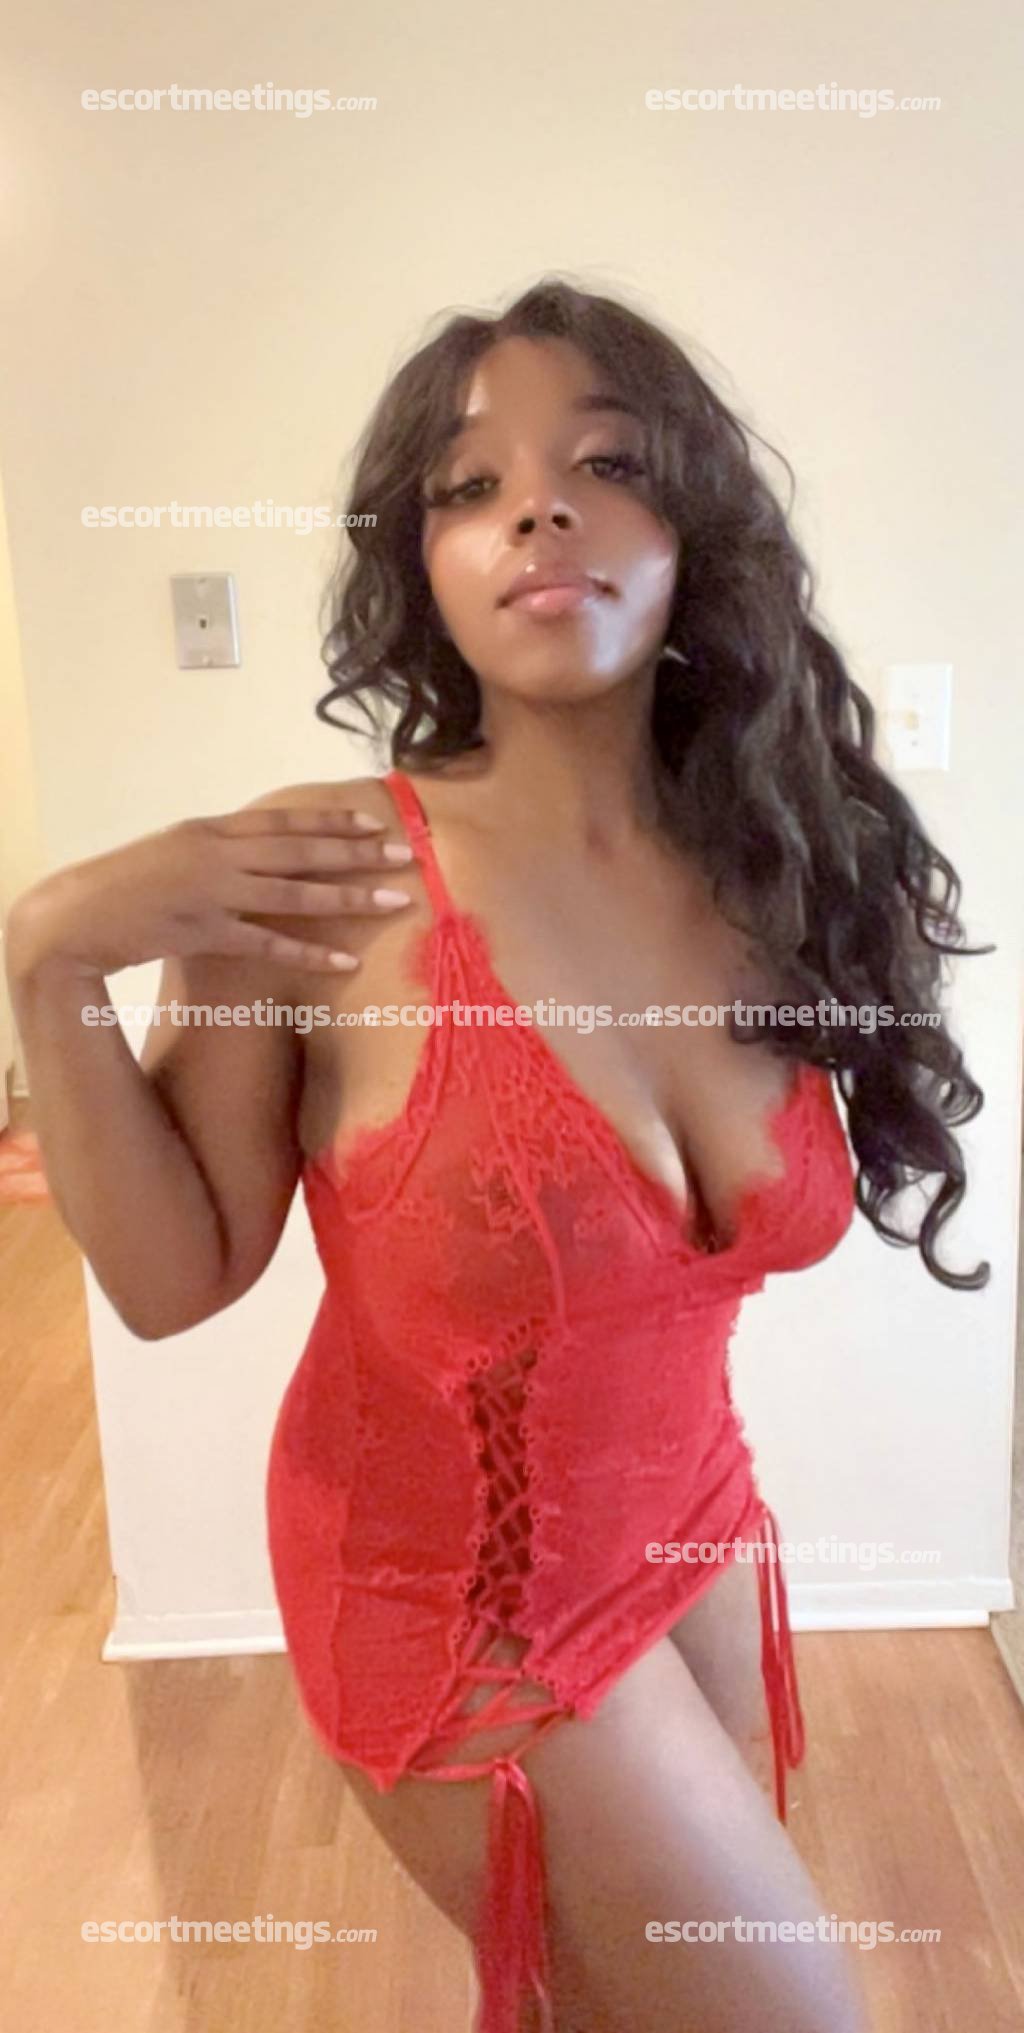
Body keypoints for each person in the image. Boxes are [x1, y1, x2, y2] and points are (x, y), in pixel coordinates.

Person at [7, 277, 991, 2033]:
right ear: (425, 562)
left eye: (606, 462)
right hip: (441, 1583)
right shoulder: (323, 879)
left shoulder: (774, 856)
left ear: (694, 531)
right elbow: (170, 1283)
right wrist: (48, 959)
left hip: (696, 1517)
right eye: (472, 486)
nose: (539, 509)